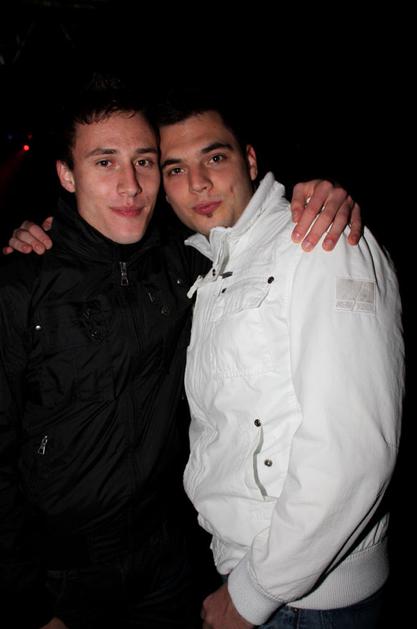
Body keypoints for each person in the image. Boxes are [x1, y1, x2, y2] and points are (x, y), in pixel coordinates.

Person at [0, 80, 363, 629]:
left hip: (169, 566)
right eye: (105, 162)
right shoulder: (22, 287)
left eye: (145, 162)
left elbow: (248, 234)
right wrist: (29, 601)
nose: (130, 186)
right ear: (67, 174)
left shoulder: (187, 266)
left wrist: (319, 195)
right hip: (64, 580)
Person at [155, 90, 403, 628]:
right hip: (253, 575)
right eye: (176, 169)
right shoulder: (212, 265)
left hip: (302, 602)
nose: (198, 183)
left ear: (249, 160)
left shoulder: (319, 239)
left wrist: (252, 593)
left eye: (214, 157)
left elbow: (353, 446)